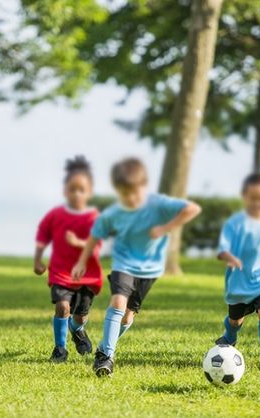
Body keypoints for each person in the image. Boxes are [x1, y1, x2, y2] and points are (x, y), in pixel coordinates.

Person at [71, 157, 201, 377]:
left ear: (143, 185)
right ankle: (107, 357)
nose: (130, 198)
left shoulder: (158, 203)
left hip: (150, 270)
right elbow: (95, 236)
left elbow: (192, 209)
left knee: (128, 317)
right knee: (118, 302)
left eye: (134, 192)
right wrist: (82, 261)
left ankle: (104, 346)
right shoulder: (114, 213)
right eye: (124, 193)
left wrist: (165, 228)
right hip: (124, 264)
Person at [34, 156, 103, 363]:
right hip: (60, 272)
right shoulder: (56, 214)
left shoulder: (93, 218)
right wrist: (38, 260)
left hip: (86, 276)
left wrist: (77, 242)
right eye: (72, 189)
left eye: (81, 190)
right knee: (63, 307)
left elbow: (96, 246)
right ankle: (60, 349)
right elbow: (42, 235)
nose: (76, 194)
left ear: (88, 192)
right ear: (65, 191)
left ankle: (77, 329)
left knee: (80, 316)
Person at [215, 173, 260, 371]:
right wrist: (231, 258)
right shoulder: (235, 223)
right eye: (253, 198)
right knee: (236, 320)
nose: (257, 202)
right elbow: (222, 251)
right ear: (244, 197)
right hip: (240, 280)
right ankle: (229, 336)